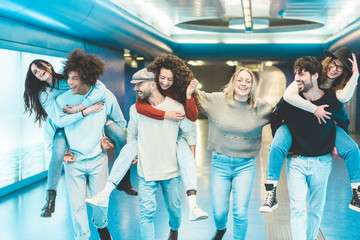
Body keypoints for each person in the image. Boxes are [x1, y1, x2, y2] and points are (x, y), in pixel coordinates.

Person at [86, 54, 207, 221]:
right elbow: (141, 109)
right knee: (130, 147)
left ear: (176, 79)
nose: (165, 82)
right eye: (162, 78)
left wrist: (188, 96)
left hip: (176, 133)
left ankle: (193, 205)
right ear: (155, 79)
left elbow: (192, 118)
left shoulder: (179, 93)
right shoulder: (146, 97)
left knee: (187, 158)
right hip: (158, 130)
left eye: (169, 79)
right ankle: (105, 193)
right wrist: (166, 115)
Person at [259, 47, 360, 213]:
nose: (334, 69)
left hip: (323, 132)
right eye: (333, 64)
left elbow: (343, 104)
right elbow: (286, 99)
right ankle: (271, 192)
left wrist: (355, 74)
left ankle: (357, 193)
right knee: (276, 147)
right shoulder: (306, 77)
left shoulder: (335, 92)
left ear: (344, 73)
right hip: (293, 126)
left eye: (340, 67)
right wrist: (315, 109)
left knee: (353, 149)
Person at [270, 56, 348, 239]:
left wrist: (337, 143)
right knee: (297, 209)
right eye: (296, 73)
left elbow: (344, 120)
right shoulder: (291, 99)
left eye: (301, 74)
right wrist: (282, 142)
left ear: (315, 76)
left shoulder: (330, 98)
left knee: (315, 211)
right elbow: (275, 117)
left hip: (322, 162)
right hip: (296, 161)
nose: (297, 78)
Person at [194, 67, 274, 239]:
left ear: (252, 86)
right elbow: (195, 96)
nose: (243, 84)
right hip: (220, 164)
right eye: (240, 80)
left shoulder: (261, 107)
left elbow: (284, 112)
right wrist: (190, 86)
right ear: (233, 82)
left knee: (240, 212)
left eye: (248, 81)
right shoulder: (216, 100)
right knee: (220, 212)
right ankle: (221, 228)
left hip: (245, 166)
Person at [55, 49, 126, 240]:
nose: (70, 82)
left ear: (87, 78)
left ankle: (101, 225)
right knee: (77, 206)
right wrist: (60, 152)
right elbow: (54, 128)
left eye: (75, 78)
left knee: (100, 204)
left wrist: (110, 142)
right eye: (69, 77)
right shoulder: (61, 100)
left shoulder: (105, 96)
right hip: (74, 162)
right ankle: (82, 237)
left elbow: (120, 123)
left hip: (98, 159)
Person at [126, 68, 197, 240]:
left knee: (174, 210)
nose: (135, 89)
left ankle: (174, 229)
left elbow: (189, 130)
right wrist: (131, 153)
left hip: (170, 171)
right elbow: (132, 133)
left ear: (153, 84)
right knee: (146, 214)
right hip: (146, 172)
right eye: (135, 85)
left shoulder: (176, 107)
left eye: (139, 84)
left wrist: (191, 154)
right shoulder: (135, 109)